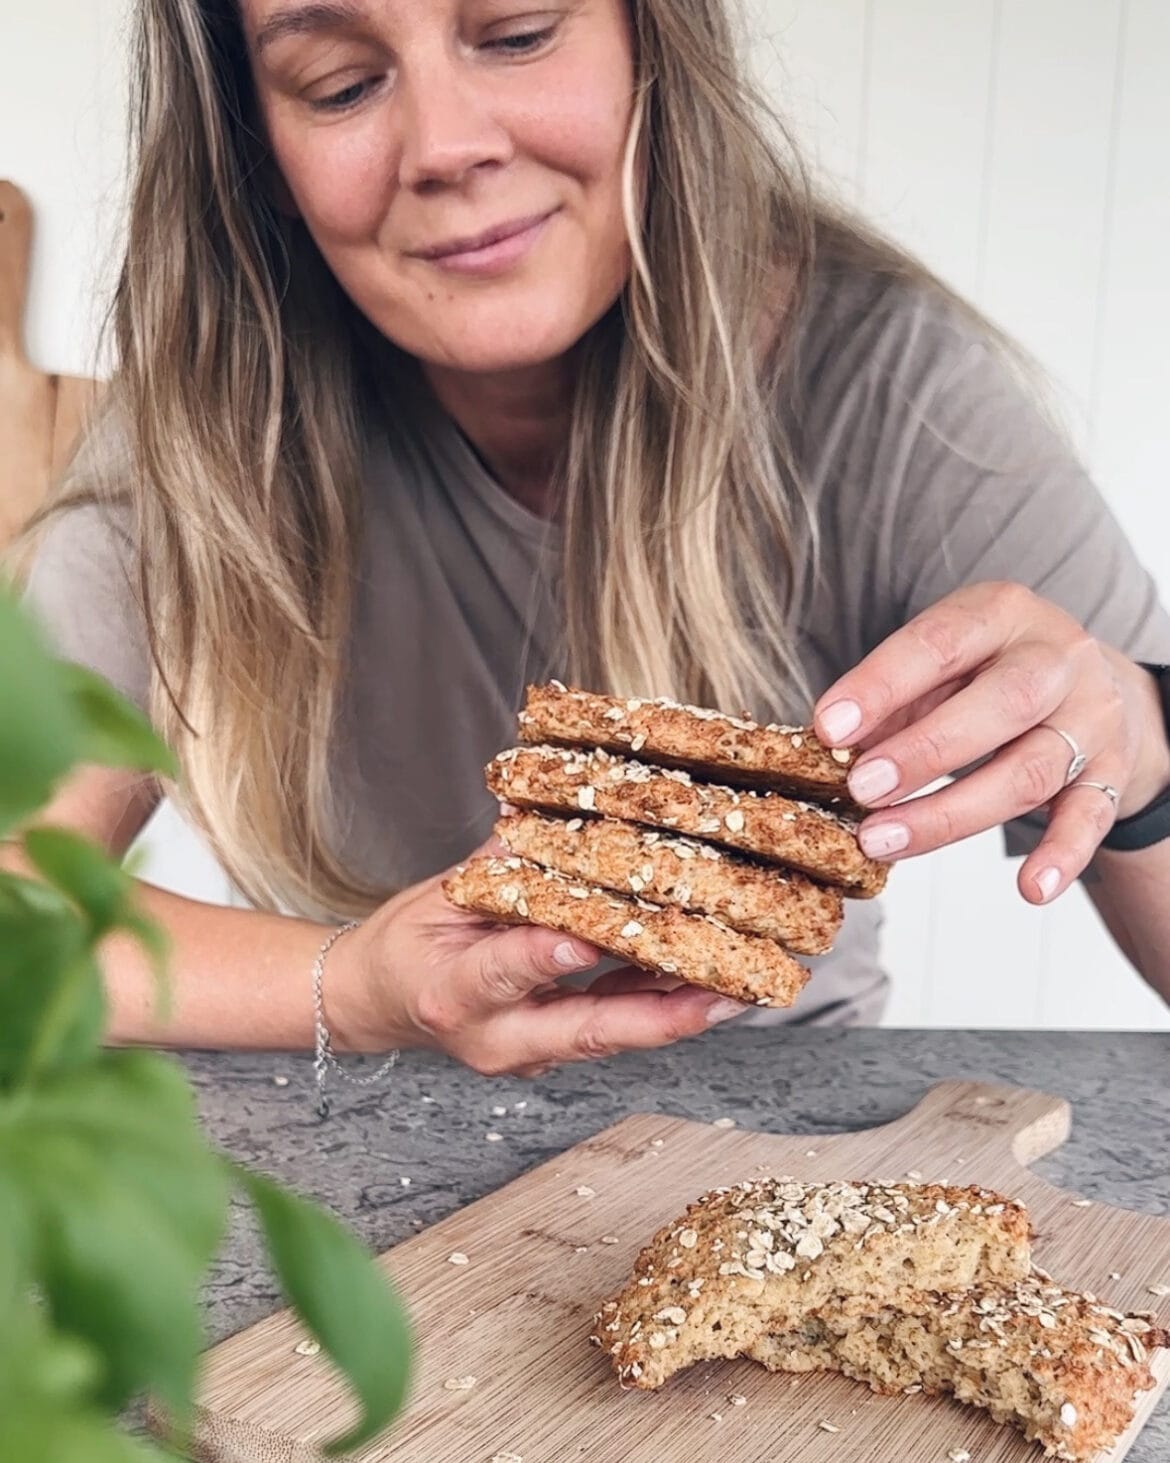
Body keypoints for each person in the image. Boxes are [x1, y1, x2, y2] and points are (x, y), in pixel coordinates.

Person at [9, 0, 1170, 1090]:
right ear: (257, 147)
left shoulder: (890, 391)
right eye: (342, 82)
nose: (447, 145)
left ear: (648, 44)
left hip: (780, 1123)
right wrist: (353, 985)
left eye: (514, 33)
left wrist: (1142, 755)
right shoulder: (196, 448)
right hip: (362, 1129)